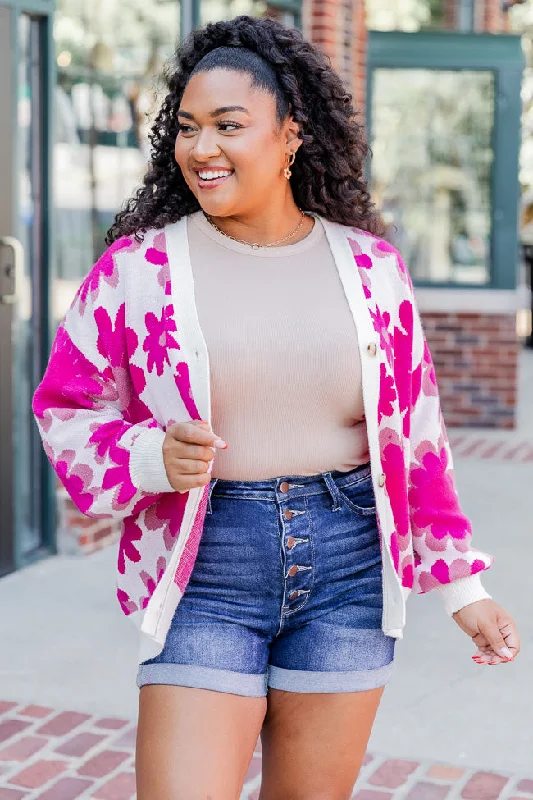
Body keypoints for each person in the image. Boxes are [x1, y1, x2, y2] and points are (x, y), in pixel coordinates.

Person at [33, 15, 520, 800]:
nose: (201, 148)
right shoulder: (139, 270)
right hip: (209, 565)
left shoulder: (371, 270)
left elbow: (416, 440)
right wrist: (150, 456)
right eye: (187, 127)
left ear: (290, 134)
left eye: (229, 125)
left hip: (349, 564)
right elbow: (65, 408)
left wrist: (462, 588)